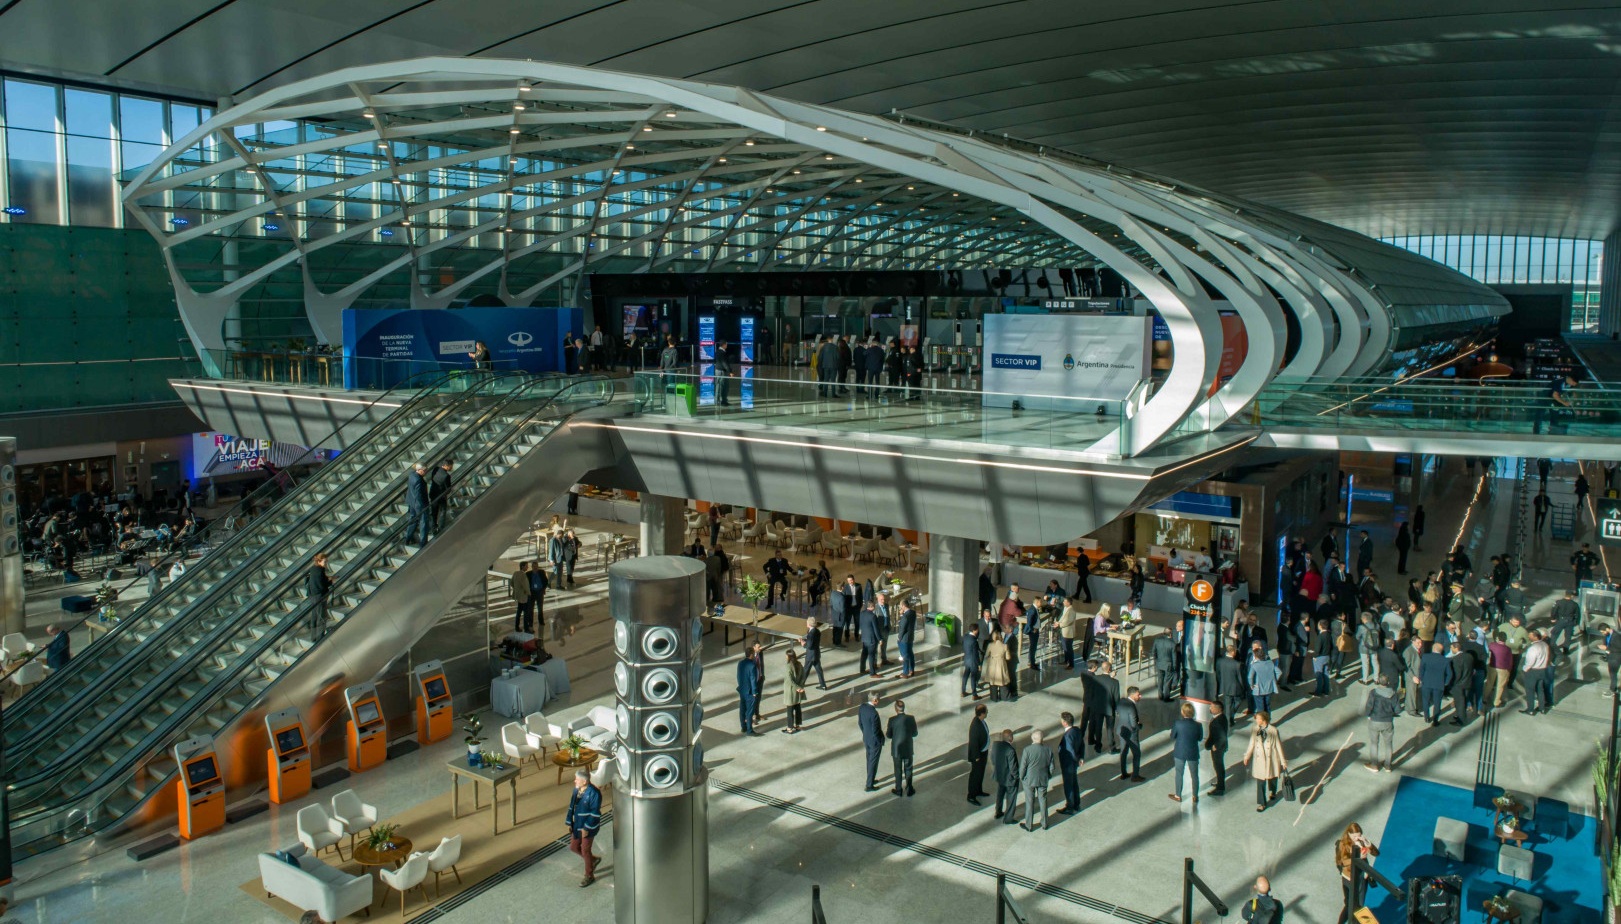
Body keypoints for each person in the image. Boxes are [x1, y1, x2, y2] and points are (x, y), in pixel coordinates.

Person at [1242, 711, 1288, 812]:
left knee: (1272, 777)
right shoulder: (1255, 729)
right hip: (1260, 760)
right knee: (1260, 782)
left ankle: (1273, 791)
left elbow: (1278, 746)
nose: (1256, 720)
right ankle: (1262, 803)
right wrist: (1247, 756)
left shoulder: (1273, 730)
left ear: (1264, 720)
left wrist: (1283, 761)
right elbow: (1252, 743)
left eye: (1258, 718)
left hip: (1271, 758)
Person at [1335, 823, 1380, 924]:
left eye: (1359, 835)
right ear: (1349, 834)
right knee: (1349, 904)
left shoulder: (1361, 842)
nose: (1357, 838)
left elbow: (1376, 853)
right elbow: (1342, 862)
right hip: (1349, 878)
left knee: (1359, 903)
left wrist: (1368, 843)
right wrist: (1357, 858)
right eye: (1354, 836)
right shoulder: (1344, 844)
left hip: (1361, 877)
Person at [566, 768, 603, 887]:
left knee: (585, 850)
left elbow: (595, 813)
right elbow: (572, 807)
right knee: (573, 847)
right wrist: (569, 822)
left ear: (585, 781)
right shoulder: (576, 791)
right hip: (577, 825)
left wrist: (586, 828)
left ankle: (589, 875)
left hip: (588, 827)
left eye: (577, 779)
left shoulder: (594, 793)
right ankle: (593, 860)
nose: (574, 781)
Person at [1018, 729, 1055, 831]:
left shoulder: (1027, 750)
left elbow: (1023, 767)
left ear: (1032, 738)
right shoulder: (1048, 750)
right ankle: (1044, 823)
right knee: (1043, 800)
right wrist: (1048, 776)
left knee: (1029, 802)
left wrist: (1021, 777)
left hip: (1029, 780)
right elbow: (1052, 767)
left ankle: (1029, 825)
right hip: (1043, 779)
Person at [1168, 702, 1202, 804]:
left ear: (1183, 712)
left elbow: (1172, 736)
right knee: (1194, 775)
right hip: (1193, 752)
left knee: (1179, 774)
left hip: (1180, 751)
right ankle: (1195, 796)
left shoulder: (1178, 723)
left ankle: (1178, 795)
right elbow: (1200, 738)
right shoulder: (1198, 725)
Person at [887, 700, 918, 796]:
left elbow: (889, 735)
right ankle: (909, 789)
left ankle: (898, 789)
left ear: (896, 709)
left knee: (898, 769)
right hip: (908, 748)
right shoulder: (911, 718)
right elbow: (915, 733)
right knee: (908, 769)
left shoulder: (892, 720)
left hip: (897, 749)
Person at [1056, 712, 1085, 814]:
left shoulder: (1067, 736)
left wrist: (1077, 759)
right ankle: (1076, 804)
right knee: (1074, 783)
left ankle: (1070, 806)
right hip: (1074, 764)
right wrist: (1081, 757)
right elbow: (1082, 744)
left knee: (1068, 785)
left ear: (1064, 722)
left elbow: (1071, 751)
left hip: (1068, 764)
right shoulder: (1077, 730)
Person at [991, 728, 1020, 823]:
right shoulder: (1011, 750)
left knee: (1000, 794)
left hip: (1000, 776)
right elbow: (1013, 768)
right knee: (1011, 798)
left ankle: (998, 812)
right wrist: (1016, 777)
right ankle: (1008, 818)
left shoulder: (995, 745)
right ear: (1010, 738)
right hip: (1009, 779)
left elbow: (992, 759)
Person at [1520, 630, 1552, 715]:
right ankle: (1542, 708)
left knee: (1530, 690)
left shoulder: (1533, 648)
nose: (1529, 637)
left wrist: (1525, 669)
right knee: (1540, 689)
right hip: (1542, 670)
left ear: (1535, 637)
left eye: (1530, 636)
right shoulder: (1545, 645)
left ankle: (1530, 709)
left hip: (1533, 671)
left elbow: (1530, 661)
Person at [858, 691, 885, 791]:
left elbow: (860, 723)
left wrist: (865, 733)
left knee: (869, 759)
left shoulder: (862, 707)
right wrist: (879, 739)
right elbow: (876, 730)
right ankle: (869, 785)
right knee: (873, 761)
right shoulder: (874, 713)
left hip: (866, 738)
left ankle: (871, 778)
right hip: (874, 741)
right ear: (875, 700)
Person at [1117, 686, 1144, 782]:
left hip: (1122, 731)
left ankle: (1123, 773)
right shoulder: (1131, 706)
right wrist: (1139, 726)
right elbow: (1133, 724)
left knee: (1123, 752)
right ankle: (1135, 776)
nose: (1140, 696)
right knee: (1136, 754)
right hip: (1131, 734)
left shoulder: (1121, 701)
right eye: (1138, 694)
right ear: (1132, 695)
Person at [966, 703, 991, 805]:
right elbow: (974, 742)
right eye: (986, 711)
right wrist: (976, 757)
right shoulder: (976, 726)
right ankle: (971, 795)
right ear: (982, 713)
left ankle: (978, 791)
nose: (987, 712)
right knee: (975, 775)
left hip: (983, 752)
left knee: (980, 773)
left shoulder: (981, 721)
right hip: (978, 755)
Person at [304, 551, 332, 640]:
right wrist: (330, 581)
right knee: (321, 616)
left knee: (314, 616)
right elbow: (321, 586)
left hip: (312, 596)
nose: (326, 563)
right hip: (320, 596)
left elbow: (315, 581)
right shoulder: (320, 571)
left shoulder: (313, 569)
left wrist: (327, 578)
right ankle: (320, 637)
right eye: (325, 561)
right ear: (319, 561)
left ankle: (313, 637)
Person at [1205, 701, 1230, 796]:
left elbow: (1222, 737)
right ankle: (1220, 783)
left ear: (1218, 709)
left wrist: (1216, 746)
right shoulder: (1220, 717)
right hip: (1218, 746)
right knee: (1218, 766)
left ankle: (1220, 788)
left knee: (1218, 766)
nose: (1210, 709)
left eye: (1212, 707)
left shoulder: (1219, 720)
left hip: (1218, 748)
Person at [1247, 646, 1281, 715]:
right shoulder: (1270, 663)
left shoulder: (1254, 665)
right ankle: (1268, 720)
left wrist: (1251, 685)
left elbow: (1250, 677)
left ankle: (1262, 722)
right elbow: (1279, 672)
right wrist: (1274, 680)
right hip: (1269, 688)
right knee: (1267, 706)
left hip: (1258, 690)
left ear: (1256, 656)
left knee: (1260, 708)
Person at [403, 463, 431, 545]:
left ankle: (407, 538)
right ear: (419, 470)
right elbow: (418, 494)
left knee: (413, 520)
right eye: (424, 470)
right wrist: (422, 507)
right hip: (419, 504)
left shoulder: (412, 475)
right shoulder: (418, 480)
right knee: (423, 522)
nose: (426, 472)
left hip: (411, 502)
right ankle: (423, 542)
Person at [983, 630, 1012, 701]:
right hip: (1001, 664)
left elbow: (986, 655)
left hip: (992, 664)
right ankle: (1005, 697)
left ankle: (994, 697)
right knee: (1002, 680)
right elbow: (1008, 657)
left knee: (993, 682)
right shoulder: (1005, 646)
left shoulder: (990, 645)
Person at [736, 651, 760, 735]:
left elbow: (738, 675)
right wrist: (754, 692)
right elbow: (753, 679)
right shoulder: (752, 665)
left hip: (742, 690)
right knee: (750, 711)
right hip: (750, 691)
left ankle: (743, 727)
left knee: (742, 709)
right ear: (751, 655)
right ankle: (750, 730)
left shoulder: (740, 663)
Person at [800, 617, 827, 689]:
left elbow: (809, 645)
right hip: (816, 654)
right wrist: (805, 639)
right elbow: (812, 641)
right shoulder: (817, 631)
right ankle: (823, 685)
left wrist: (803, 643)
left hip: (810, 655)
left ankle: (800, 685)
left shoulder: (811, 633)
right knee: (819, 670)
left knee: (805, 670)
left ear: (809, 624)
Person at [1153, 628, 1178, 700]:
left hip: (1159, 663)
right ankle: (1166, 697)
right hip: (1168, 665)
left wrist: (1156, 661)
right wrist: (1175, 666)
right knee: (1167, 681)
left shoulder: (1157, 640)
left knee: (1160, 679)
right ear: (1170, 634)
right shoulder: (1172, 644)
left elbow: (1153, 652)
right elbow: (1174, 657)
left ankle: (1160, 695)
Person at [895, 598, 918, 678]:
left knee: (904, 656)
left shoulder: (905, 616)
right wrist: (902, 614)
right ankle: (911, 670)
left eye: (901, 606)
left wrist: (899, 638)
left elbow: (902, 628)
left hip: (904, 639)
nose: (900, 608)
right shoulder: (912, 613)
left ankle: (905, 672)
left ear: (903, 606)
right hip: (910, 637)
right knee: (910, 654)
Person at [510, 561, 533, 633]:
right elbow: (526, 586)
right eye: (526, 566)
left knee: (518, 612)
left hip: (518, 596)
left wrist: (517, 589)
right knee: (526, 613)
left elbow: (511, 583)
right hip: (524, 596)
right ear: (522, 566)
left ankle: (517, 627)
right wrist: (529, 593)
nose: (527, 567)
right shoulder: (523, 575)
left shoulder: (515, 573)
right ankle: (526, 628)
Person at [961, 623, 983, 698]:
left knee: (965, 675)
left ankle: (963, 691)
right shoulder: (974, 641)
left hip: (967, 659)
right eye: (977, 629)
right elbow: (976, 654)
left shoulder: (965, 636)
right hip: (973, 661)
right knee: (973, 677)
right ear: (974, 630)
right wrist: (979, 664)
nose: (978, 630)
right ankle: (974, 694)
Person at [714, 338, 734, 407]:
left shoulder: (719, 352)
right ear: (723, 345)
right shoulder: (721, 353)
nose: (727, 345)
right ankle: (717, 401)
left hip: (721, 370)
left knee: (725, 386)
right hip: (721, 371)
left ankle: (724, 400)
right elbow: (724, 363)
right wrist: (730, 371)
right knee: (720, 386)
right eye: (726, 344)